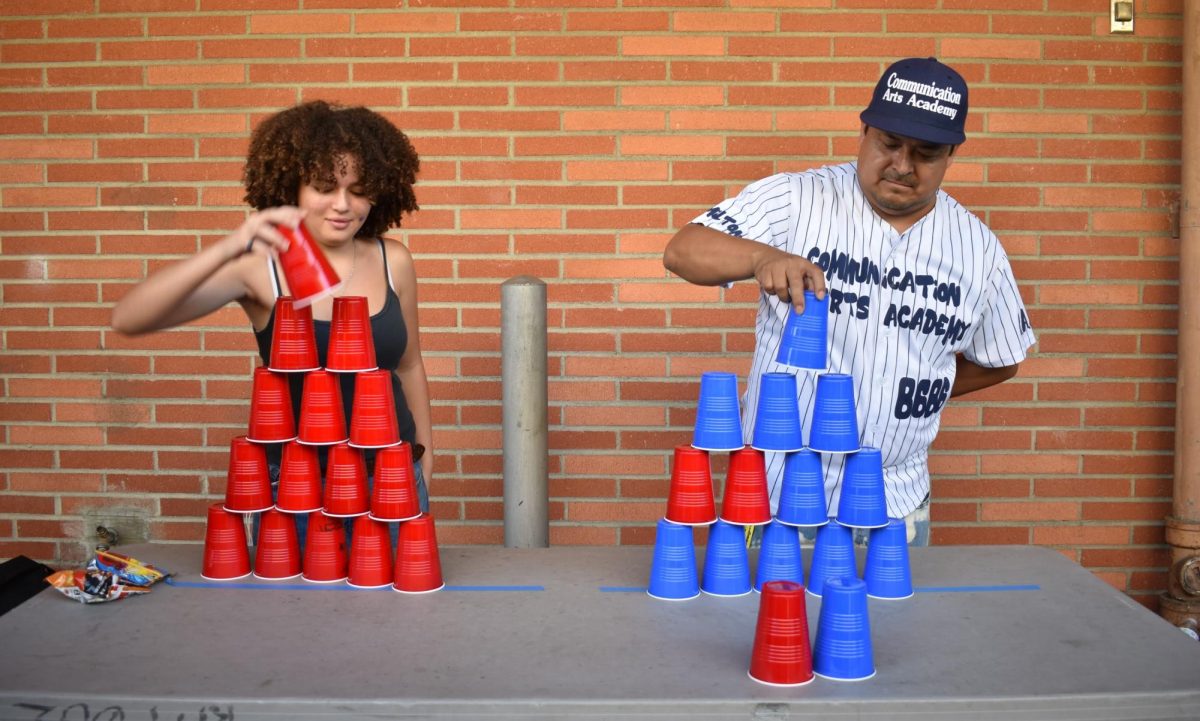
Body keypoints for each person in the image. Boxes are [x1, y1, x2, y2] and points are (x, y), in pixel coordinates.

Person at [663, 58, 1036, 546]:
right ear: (864, 131)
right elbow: (682, 251)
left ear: (951, 155)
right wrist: (760, 256)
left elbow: (1002, 359)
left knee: (892, 624)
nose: (903, 165)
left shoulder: (977, 248)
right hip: (775, 497)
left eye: (926, 153)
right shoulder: (796, 199)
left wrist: (921, 389)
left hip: (895, 504)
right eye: (889, 143)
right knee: (771, 623)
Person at [112, 100, 433, 542]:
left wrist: (424, 461)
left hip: (391, 477)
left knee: (397, 609)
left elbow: (410, 364)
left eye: (358, 190)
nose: (343, 205)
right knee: (299, 609)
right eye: (324, 186)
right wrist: (233, 244)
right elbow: (130, 318)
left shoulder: (392, 259)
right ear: (292, 189)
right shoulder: (260, 269)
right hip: (298, 486)